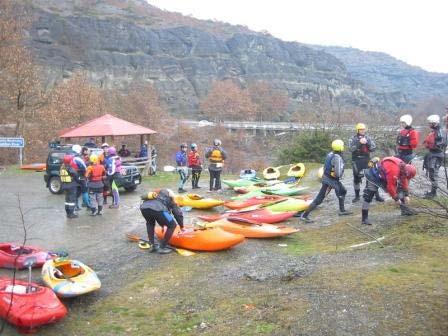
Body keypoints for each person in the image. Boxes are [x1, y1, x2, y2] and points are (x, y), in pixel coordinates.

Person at [300, 140, 352, 223]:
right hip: (330, 181)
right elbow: (338, 173)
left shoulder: (330, 154)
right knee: (319, 199)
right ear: (341, 148)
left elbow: (326, 167)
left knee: (342, 191)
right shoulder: (337, 158)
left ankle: (342, 210)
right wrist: (340, 174)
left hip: (329, 179)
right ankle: (304, 215)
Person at [362, 157, 417, 225]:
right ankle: (364, 219)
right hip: (373, 175)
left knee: (400, 188)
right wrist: (396, 199)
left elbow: (404, 180)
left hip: (384, 176)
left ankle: (404, 210)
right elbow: (390, 187)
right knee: (368, 195)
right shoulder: (394, 170)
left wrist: (406, 194)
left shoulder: (404, 167)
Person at [140, 189, 185, 254]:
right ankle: (162, 247)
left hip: (144, 208)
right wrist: (181, 226)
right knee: (172, 225)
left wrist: (162, 225)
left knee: (150, 223)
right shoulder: (171, 199)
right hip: (158, 209)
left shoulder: (156, 195)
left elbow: (158, 217)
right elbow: (177, 213)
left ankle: (152, 245)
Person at [349, 123, 383, 203]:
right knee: (356, 179)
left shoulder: (368, 138)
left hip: (367, 159)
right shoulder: (352, 138)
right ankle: (357, 196)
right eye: (361, 129)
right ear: (357, 130)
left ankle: (376, 195)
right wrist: (359, 143)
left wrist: (367, 143)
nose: (363, 131)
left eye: (364, 129)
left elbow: (373, 148)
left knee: (372, 178)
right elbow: (351, 149)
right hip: (356, 160)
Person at [422, 115, 447, 198]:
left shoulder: (439, 132)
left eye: (430, 123)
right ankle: (433, 192)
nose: (429, 124)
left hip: (436, 155)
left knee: (433, 173)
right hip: (433, 154)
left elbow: (440, 144)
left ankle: (434, 193)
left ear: (434, 123)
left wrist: (430, 145)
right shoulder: (434, 131)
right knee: (432, 173)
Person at [71, 144, 91, 210]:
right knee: (85, 191)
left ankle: (76, 206)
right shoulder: (78, 159)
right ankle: (88, 205)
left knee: (76, 192)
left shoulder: (71, 157)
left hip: (74, 177)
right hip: (81, 177)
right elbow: (85, 168)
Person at [60, 154, 79, 219]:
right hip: (71, 186)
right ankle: (71, 214)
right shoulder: (70, 168)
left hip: (65, 186)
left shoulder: (62, 167)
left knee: (67, 199)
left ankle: (68, 213)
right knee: (72, 200)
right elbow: (76, 175)